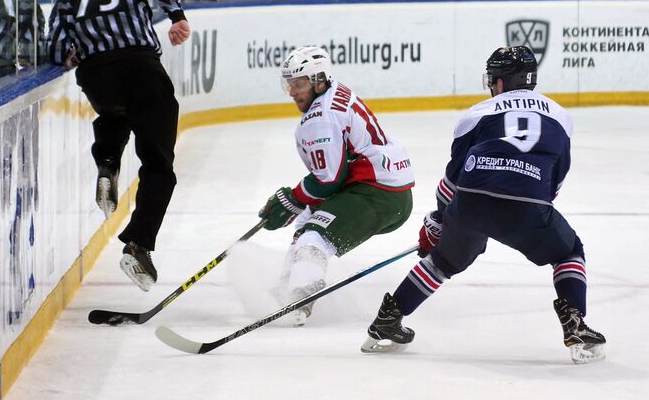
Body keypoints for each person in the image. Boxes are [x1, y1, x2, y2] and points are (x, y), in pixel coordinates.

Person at [360, 46, 606, 365]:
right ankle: (575, 321)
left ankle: (387, 322)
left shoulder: (476, 114)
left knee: (442, 262)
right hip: (528, 202)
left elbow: (452, 180)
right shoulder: (560, 116)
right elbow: (556, 179)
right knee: (568, 252)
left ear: (501, 81)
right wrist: (530, 211)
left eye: (493, 78)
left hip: (471, 202)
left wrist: (438, 221)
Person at [49, 0, 190, 292]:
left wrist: (66, 57)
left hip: (96, 77)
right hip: (141, 68)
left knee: (115, 114)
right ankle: (138, 246)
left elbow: (54, 47)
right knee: (158, 166)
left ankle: (108, 162)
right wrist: (177, 16)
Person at [258, 46, 415, 326]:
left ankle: (300, 297)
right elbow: (334, 176)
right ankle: (286, 287)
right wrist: (300, 203)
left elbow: (328, 179)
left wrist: (292, 198)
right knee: (306, 223)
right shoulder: (332, 93)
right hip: (380, 185)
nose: (293, 92)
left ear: (319, 80)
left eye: (300, 84)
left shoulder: (320, 117)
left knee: (314, 237)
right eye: (290, 84)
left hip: (378, 192)